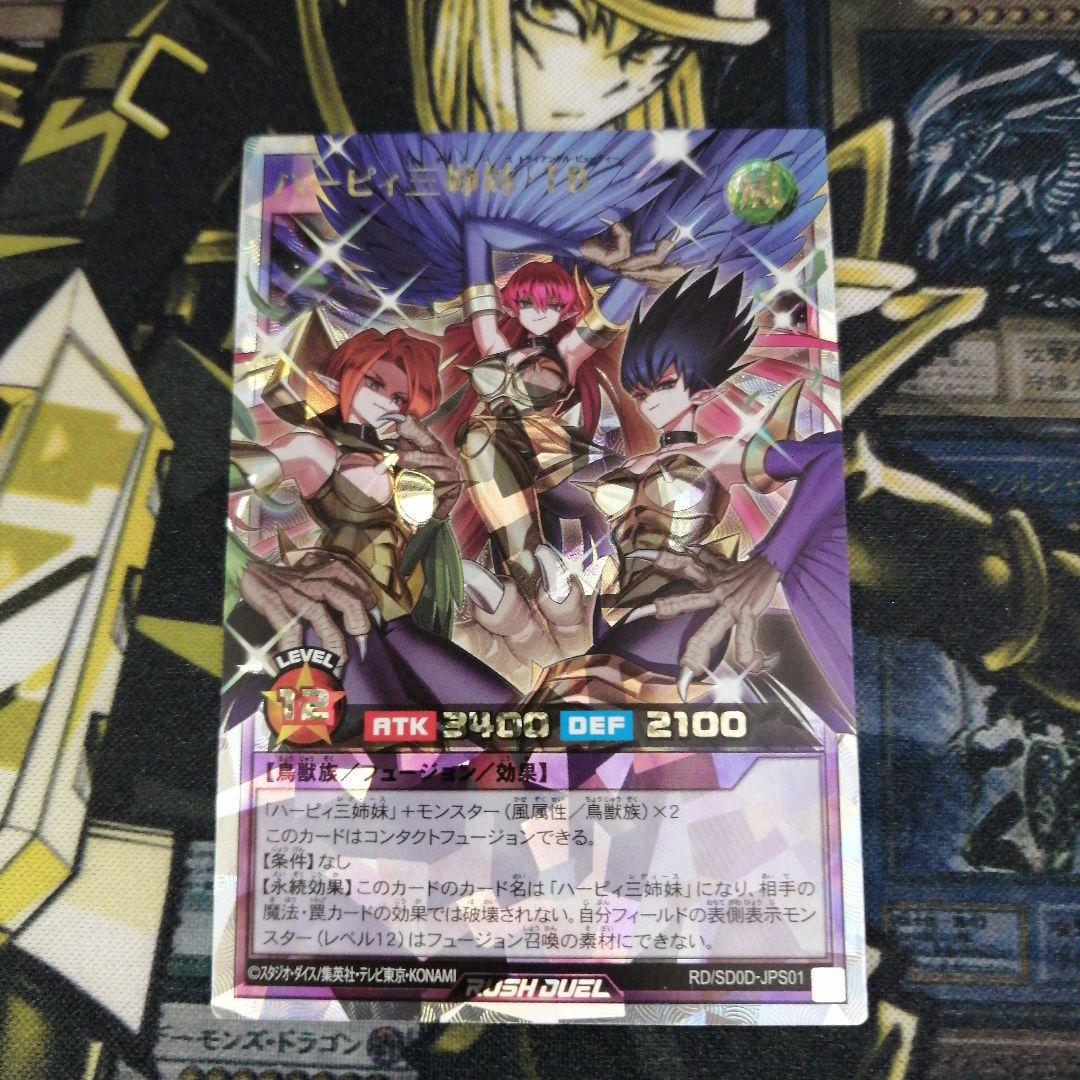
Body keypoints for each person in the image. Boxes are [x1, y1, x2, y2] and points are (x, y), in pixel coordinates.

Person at [229, 325, 517, 713]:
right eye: (374, 384)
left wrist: (440, 494)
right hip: (339, 609)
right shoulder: (315, 449)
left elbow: (418, 542)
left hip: (396, 617)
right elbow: (229, 475)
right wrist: (242, 563)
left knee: (506, 709)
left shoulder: (401, 461)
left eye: (399, 397)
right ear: (343, 378)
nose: (385, 402)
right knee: (391, 733)